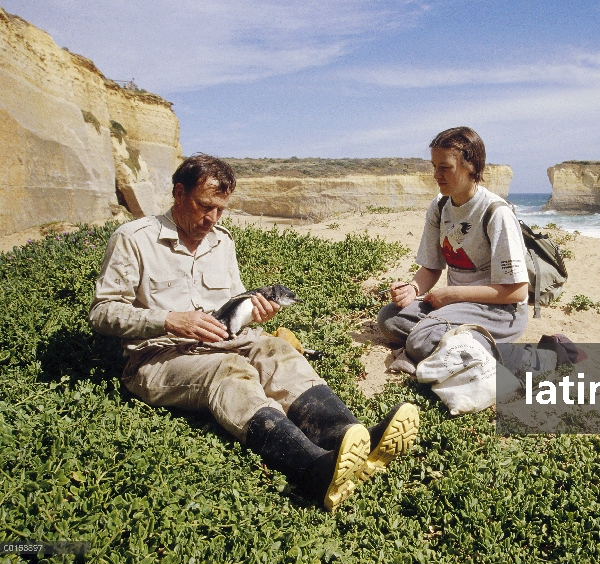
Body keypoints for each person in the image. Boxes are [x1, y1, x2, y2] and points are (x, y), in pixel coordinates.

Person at [89, 154, 417, 511]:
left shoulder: (222, 241)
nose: (211, 219)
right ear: (179, 194)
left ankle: (349, 438)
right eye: (204, 206)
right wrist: (170, 319)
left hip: (228, 339)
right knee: (229, 372)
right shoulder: (134, 238)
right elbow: (103, 313)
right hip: (161, 356)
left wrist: (256, 311)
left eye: (220, 210)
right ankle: (312, 468)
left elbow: (234, 303)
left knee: (278, 350)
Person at [377, 127, 529, 366]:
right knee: (389, 319)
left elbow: (517, 292)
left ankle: (480, 346)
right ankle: (456, 340)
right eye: (434, 166)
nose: (437, 175)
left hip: (499, 311)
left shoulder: (496, 213)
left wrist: (453, 294)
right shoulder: (440, 207)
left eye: (445, 167)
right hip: (456, 305)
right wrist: (413, 289)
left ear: (472, 167)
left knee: (420, 341)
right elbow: (431, 268)